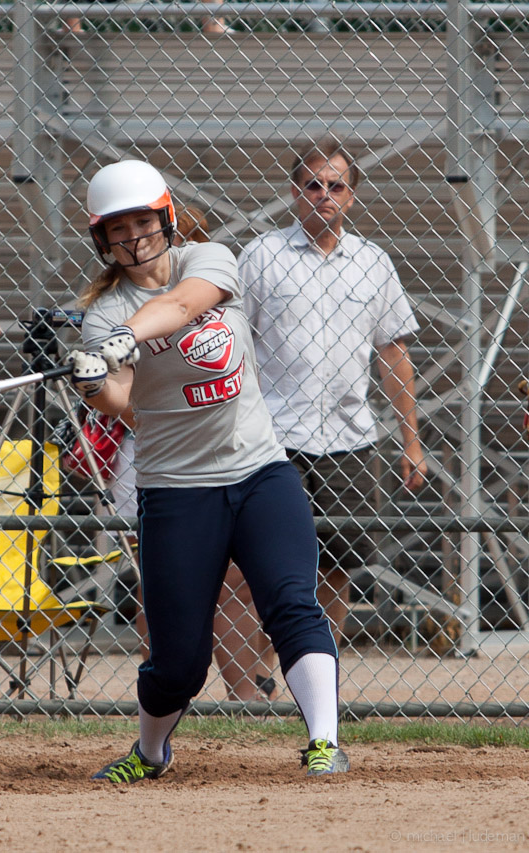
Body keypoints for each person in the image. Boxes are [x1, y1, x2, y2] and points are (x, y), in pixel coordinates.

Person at [70, 159, 346, 781]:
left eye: (144, 221)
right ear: (102, 238)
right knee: (179, 661)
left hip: (259, 471)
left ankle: (324, 742)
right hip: (176, 488)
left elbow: (182, 303)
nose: (134, 237)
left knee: (292, 602)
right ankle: (150, 753)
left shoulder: (208, 259)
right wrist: (94, 382)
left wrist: (126, 337)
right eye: (118, 228)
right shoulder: (103, 314)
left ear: (167, 218)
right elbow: (121, 399)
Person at [239, 137, 426, 647]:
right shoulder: (261, 256)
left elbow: (393, 353)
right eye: (313, 185)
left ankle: (321, 670)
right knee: (270, 567)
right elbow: (235, 345)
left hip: (350, 438)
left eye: (336, 186)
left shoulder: (373, 262)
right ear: (294, 192)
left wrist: (411, 442)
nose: (324, 194)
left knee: (339, 566)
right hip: (275, 438)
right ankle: (264, 680)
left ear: (352, 196)